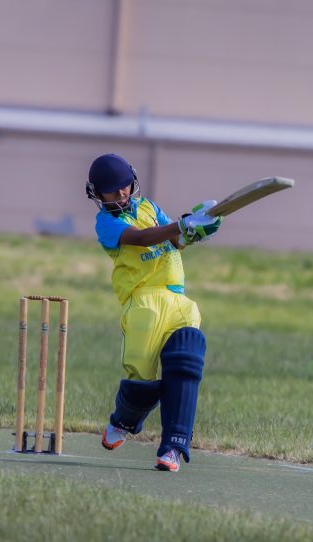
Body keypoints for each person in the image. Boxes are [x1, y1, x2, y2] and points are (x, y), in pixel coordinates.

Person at [87, 153, 221, 473]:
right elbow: (142, 239)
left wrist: (191, 231)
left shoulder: (149, 207)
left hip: (177, 298)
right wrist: (180, 225)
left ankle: (174, 446)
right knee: (142, 383)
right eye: (112, 190)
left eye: (124, 186)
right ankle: (123, 421)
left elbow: (174, 241)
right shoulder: (106, 223)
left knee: (186, 361)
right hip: (143, 304)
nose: (121, 193)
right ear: (98, 194)